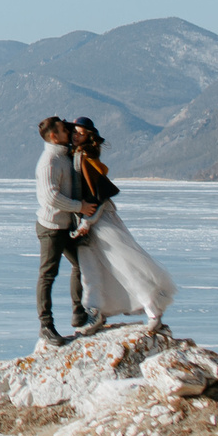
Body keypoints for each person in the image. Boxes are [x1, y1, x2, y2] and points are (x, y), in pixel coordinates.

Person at [65, 116, 175, 332]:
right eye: (74, 132)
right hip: (84, 223)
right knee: (90, 272)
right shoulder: (77, 157)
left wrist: (88, 222)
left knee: (125, 266)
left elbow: (99, 196)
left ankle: (153, 311)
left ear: (88, 137)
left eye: (81, 133)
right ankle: (95, 313)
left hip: (98, 222)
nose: (76, 136)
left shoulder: (85, 159)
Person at [32, 116, 88, 347]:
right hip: (51, 227)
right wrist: (80, 207)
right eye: (65, 130)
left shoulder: (64, 156)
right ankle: (46, 325)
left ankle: (80, 312)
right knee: (48, 274)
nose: (69, 133)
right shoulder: (49, 162)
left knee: (82, 264)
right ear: (54, 136)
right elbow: (51, 197)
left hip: (66, 226)